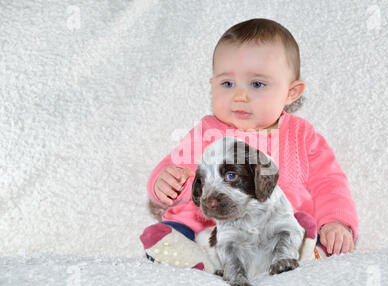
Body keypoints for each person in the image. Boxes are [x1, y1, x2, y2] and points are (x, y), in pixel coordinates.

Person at [140, 18, 358, 270]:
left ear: (291, 92)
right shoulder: (207, 132)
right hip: (210, 229)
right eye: (227, 83)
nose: (240, 96)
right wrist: (166, 183)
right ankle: (199, 259)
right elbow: (176, 167)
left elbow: (329, 183)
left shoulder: (302, 135)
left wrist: (335, 221)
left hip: (278, 229)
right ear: (213, 86)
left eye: (257, 84)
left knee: (302, 228)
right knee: (176, 231)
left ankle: (300, 253)